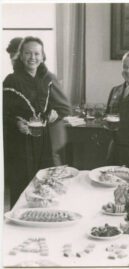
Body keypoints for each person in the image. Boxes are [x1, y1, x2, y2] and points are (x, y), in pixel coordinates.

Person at [3, 36, 71, 207]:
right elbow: (4, 113)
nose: (32, 57)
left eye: (36, 53)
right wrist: (16, 123)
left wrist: (55, 113)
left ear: (42, 56)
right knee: (22, 192)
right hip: (20, 145)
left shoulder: (49, 78)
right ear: (21, 55)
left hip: (44, 142)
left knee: (46, 191)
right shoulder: (11, 80)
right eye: (27, 53)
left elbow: (64, 108)